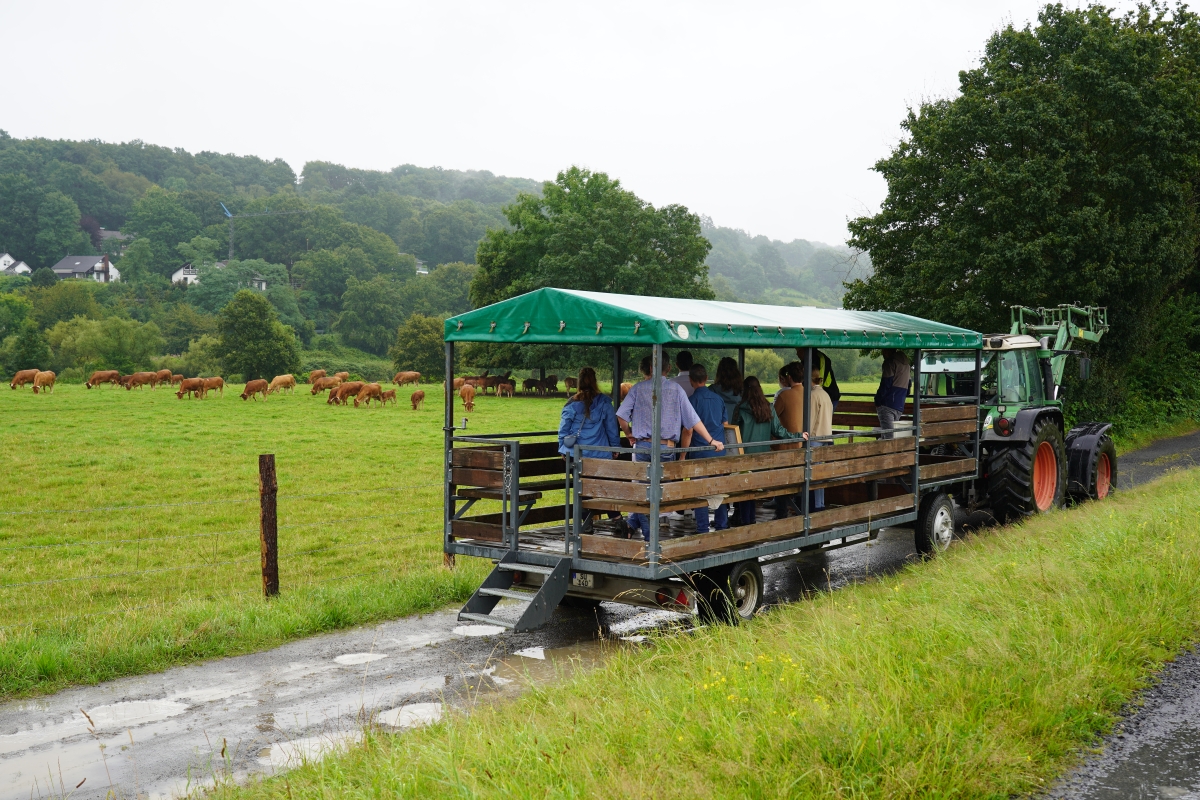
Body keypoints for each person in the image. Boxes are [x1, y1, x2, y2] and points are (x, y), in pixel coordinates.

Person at [617, 355, 724, 540]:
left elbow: (621, 416)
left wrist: (628, 434)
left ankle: (642, 531)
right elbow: (693, 420)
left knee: (642, 495)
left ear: (649, 369)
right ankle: (649, 536)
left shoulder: (637, 389)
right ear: (667, 369)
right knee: (661, 495)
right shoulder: (676, 389)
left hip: (642, 448)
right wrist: (711, 440)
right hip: (666, 449)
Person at [558, 367, 627, 535]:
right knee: (604, 487)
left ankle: (586, 522)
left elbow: (564, 430)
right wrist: (614, 448)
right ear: (595, 381)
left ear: (578, 382)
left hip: (577, 455)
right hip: (601, 454)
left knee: (582, 488)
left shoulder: (571, 404)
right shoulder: (605, 402)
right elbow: (612, 428)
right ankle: (617, 519)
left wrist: (563, 449)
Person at [732, 377, 807, 525]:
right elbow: (779, 431)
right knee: (753, 491)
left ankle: (746, 521)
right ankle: (750, 520)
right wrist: (799, 435)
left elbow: (734, 433)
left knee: (744, 490)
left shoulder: (740, 409)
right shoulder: (768, 408)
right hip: (762, 458)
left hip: (743, 456)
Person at [685, 364, 728, 533]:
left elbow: (688, 430)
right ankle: (721, 524)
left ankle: (702, 527)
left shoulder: (691, 401)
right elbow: (725, 425)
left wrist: (683, 455)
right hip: (719, 452)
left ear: (691, 380)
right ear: (706, 378)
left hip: (699, 452)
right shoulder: (718, 399)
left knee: (701, 490)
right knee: (719, 488)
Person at [807, 365, 834, 512]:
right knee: (821, 473)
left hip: (815, 437)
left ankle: (816, 506)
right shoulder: (825, 394)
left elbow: (810, 420)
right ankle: (820, 503)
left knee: (814, 474)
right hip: (826, 436)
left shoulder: (813, 395)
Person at [875, 349, 911, 438]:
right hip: (899, 404)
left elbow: (885, 383)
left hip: (887, 404)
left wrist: (878, 400)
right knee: (890, 434)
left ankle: (886, 451)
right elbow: (909, 385)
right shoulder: (907, 365)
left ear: (887, 351)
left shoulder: (890, 362)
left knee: (889, 437)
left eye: (883, 351)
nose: (882, 353)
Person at [709, 357, 743, 421]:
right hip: (738, 428)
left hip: (718, 427)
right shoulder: (743, 391)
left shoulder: (711, 390)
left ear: (719, 372)